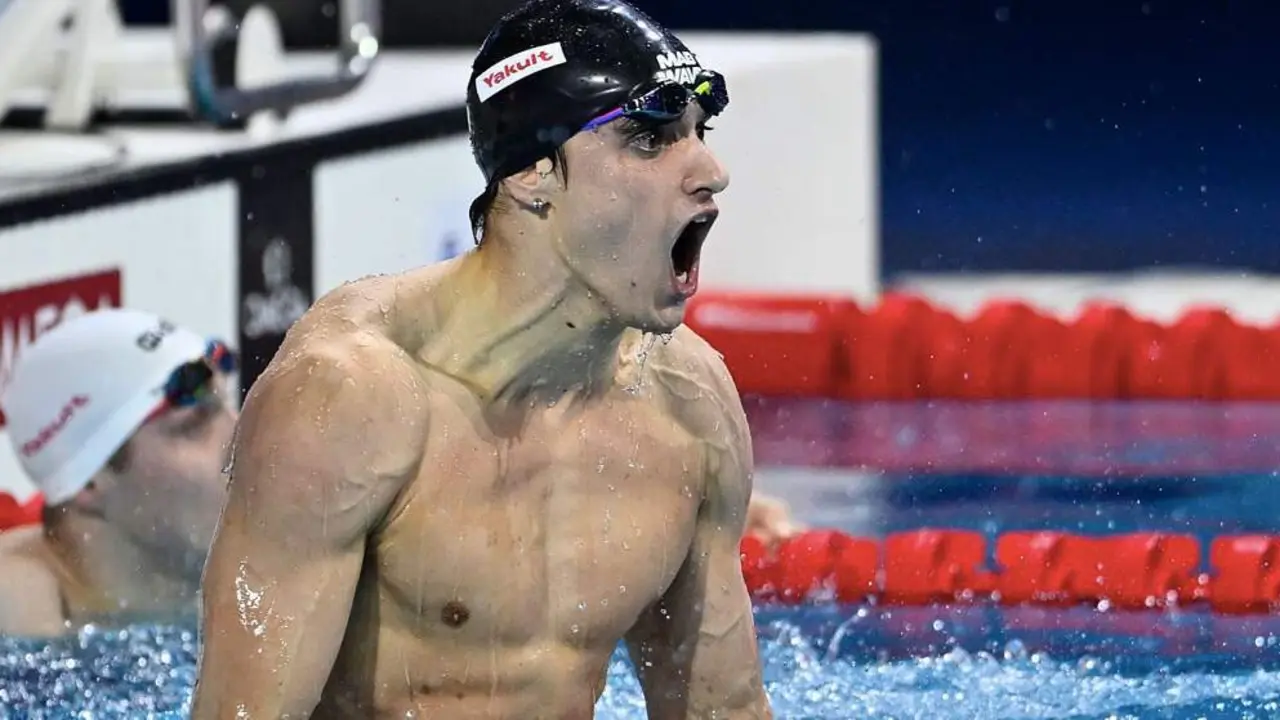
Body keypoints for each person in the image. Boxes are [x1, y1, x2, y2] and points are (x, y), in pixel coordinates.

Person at [191, 0, 774, 717]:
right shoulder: (353, 396)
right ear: (532, 174)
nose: (710, 170)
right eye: (650, 140)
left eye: (699, 133)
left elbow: (725, 710)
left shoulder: (689, 402)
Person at [0, 309, 238, 637]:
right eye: (193, 425)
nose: (242, 436)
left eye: (227, 404)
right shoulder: (20, 617)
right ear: (90, 482)